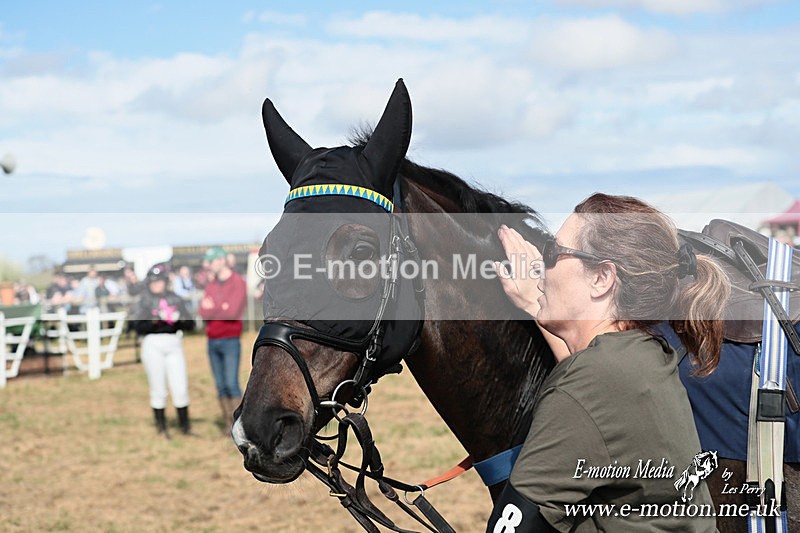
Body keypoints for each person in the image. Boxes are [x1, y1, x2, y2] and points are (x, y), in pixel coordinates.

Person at [488, 193, 728, 532]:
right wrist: (536, 304)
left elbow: (509, 527)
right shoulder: (640, 355)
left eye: (553, 253)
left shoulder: (594, 380)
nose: (543, 267)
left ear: (601, 278)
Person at [131, 263, 195, 439]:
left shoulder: (176, 298)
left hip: (174, 343)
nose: (156, 284)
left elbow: (191, 323)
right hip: (153, 344)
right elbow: (136, 326)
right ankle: (162, 428)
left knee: (180, 386)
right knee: (158, 387)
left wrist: (177, 322)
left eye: (159, 281)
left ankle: (185, 427)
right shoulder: (144, 301)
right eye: (154, 281)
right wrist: (154, 322)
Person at [198, 247, 247, 434]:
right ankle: (228, 423)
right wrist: (220, 307)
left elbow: (233, 311)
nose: (208, 266)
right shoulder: (212, 284)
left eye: (210, 262)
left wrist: (213, 307)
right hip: (212, 339)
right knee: (220, 385)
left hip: (230, 339)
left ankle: (239, 424)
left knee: (231, 383)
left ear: (221, 261)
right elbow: (202, 311)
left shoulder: (237, 282)